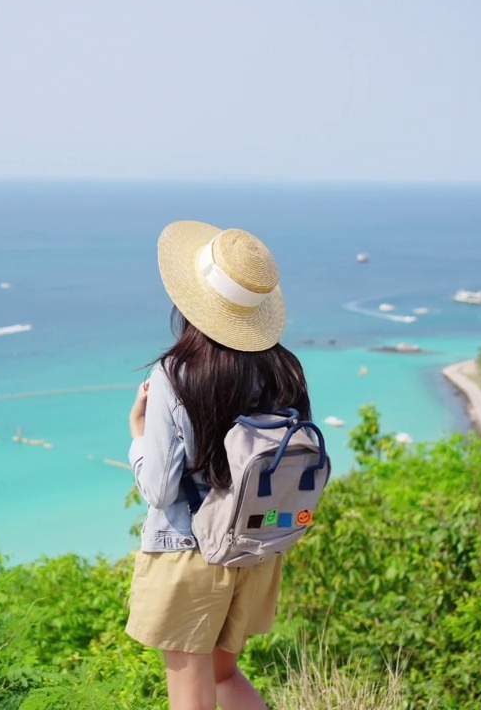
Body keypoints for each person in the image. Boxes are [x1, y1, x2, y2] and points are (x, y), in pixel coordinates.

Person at [126, 220, 313, 710]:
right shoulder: (284, 368)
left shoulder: (176, 373)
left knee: (191, 698)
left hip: (191, 552)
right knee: (225, 677)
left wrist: (137, 436)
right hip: (257, 545)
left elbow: (160, 491)